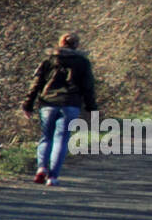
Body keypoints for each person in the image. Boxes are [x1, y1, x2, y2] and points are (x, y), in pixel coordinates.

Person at [21, 31, 97, 187]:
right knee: (61, 140)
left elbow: (36, 84)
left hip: (47, 103)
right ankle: (53, 177)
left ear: (60, 43)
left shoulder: (48, 60)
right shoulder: (82, 62)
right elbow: (88, 87)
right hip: (71, 104)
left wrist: (28, 104)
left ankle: (41, 167)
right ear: (76, 45)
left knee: (46, 137)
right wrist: (92, 107)